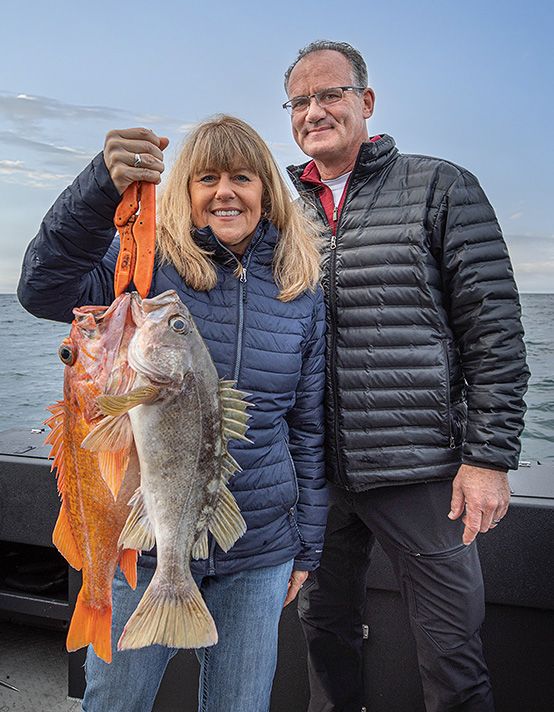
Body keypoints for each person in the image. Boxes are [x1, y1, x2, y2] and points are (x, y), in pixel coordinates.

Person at [17, 115, 328, 712]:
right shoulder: (143, 263)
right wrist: (98, 187)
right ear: (186, 188)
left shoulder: (301, 287)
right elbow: (43, 288)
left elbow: (308, 426)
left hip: (258, 544)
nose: (225, 192)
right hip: (144, 543)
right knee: (115, 702)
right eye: (207, 177)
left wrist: (306, 546)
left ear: (267, 187)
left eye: (242, 176)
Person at [282, 40, 529, 712]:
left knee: (452, 648)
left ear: (365, 101)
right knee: (323, 635)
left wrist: (487, 457)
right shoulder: (276, 205)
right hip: (317, 476)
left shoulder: (439, 184)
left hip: (422, 471)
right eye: (300, 101)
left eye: (330, 93)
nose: (315, 110)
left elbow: (494, 331)